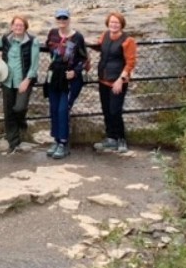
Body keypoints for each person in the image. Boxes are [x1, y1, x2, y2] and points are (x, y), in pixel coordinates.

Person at [0, 15, 40, 154]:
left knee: (19, 108)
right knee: (8, 111)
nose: (18, 27)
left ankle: (22, 123)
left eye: (21, 25)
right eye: (16, 25)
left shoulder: (32, 41)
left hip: (23, 80)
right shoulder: (7, 38)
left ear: (25, 27)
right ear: (12, 26)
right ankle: (13, 141)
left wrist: (27, 80)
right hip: (7, 79)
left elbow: (34, 64)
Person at [42, 9, 87, 159]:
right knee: (54, 108)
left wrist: (75, 71)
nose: (62, 21)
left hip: (70, 78)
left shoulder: (77, 37)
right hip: (55, 76)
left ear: (69, 19)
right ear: (56, 19)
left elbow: (84, 59)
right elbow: (48, 48)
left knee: (63, 109)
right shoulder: (53, 33)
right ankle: (56, 139)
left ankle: (63, 142)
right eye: (59, 18)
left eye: (64, 18)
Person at [90, 11, 138, 153]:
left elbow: (130, 62)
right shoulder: (105, 35)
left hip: (117, 80)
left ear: (121, 24)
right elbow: (101, 47)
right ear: (108, 23)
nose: (114, 25)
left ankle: (121, 139)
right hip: (103, 79)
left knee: (115, 110)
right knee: (106, 110)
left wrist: (121, 80)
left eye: (116, 22)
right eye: (111, 22)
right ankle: (111, 138)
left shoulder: (128, 40)